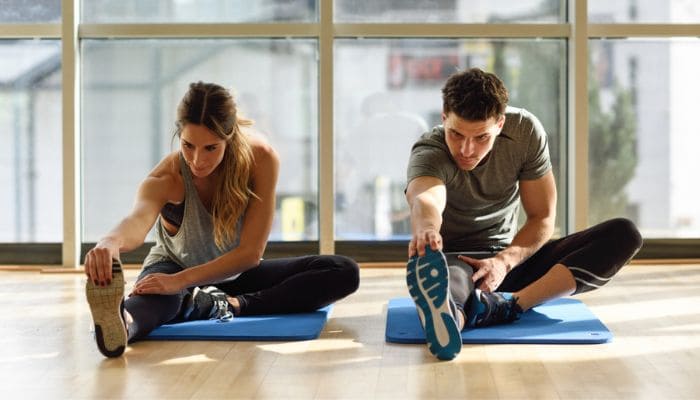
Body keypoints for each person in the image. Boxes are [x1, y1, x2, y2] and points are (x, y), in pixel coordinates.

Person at [84, 82, 360, 358]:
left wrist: (184, 281)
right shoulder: (167, 177)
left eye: (210, 148)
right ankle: (123, 326)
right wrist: (110, 242)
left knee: (342, 270)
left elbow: (250, 254)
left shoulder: (260, 159)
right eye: (188, 145)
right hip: (173, 267)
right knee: (159, 300)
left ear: (229, 137)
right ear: (178, 135)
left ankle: (229, 304)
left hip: (234, 272)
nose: (197, 160)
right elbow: (137, 220)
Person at [405, 68, 642, 360]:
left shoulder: (525, 132)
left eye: (481, 137)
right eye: (456, 134)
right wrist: (427, 230)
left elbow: (542, 216)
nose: (467, 149)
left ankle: (508, 305)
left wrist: (503, 263)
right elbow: (427, 199)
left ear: (501, 123)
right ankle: (451, 319)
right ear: (444, 118)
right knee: (448, 288)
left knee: (623, 235)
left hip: (514, 260)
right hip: (458, 263)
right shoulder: (430, 150)